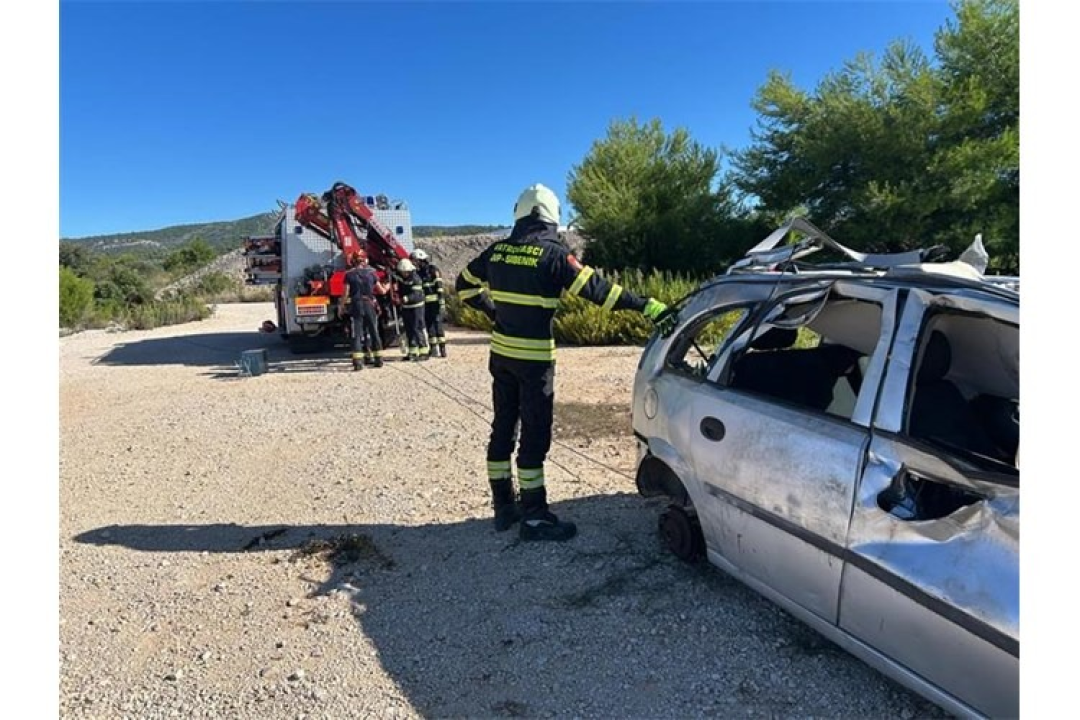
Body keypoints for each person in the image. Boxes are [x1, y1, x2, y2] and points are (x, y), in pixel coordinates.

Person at [455, 183, 669, 541]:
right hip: (535, 361)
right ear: (551, 216)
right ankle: (535, 517)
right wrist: (645, 305)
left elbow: (464, 287)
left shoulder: (495, 252)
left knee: (503, 427)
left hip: (502, 356)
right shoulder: (553, 255)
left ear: (520, 215)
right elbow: (600, 292)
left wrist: (494, 313)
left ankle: (503, 507)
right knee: (534, 436)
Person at [339, 250, 386, 371]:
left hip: (356, 305)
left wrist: (341, 306)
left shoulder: (349, 275)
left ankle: (358, 362)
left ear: (353, 261)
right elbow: (381, 291)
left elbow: (345, 293)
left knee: (357, 334)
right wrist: (389, 286)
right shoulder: (372, 273)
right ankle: (378, 359)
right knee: (374, 331)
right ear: (365, 260)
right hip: (370, 304)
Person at [411, 248, 448, 358]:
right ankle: (433, 349)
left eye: (416, 260)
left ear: (421, 259)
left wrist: (441, 303)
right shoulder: (418, 273)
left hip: (435, 303)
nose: (415, 263)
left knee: (438, 325)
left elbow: (439, 287)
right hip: (425, 304)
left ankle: (442, 348)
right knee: (429, 326)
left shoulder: (433, 270)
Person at [395, 258, 429, 362]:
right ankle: (413, 352)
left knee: (417, 328)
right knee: (409, 330)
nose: (403, 274)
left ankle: (424, 351)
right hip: (406, 308)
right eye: (401, 272)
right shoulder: (402, 279)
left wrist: (406, 298)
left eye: (404, 272)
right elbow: (400, 285)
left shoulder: (416, 278)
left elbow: (417, 294)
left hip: (416, 307)